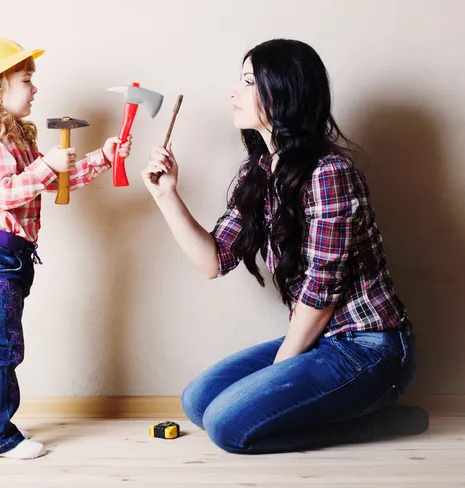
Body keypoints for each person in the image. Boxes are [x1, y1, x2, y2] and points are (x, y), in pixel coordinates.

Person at [142, 38, 428, 454]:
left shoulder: (330, 173)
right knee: (198, 401)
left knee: (227, 427)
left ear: (285, 92)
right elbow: (213, 261)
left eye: (248, 81)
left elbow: (321, 295)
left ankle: (378, 423)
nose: (233, 91)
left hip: (372, 350)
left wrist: (276, 375)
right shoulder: (258, 172)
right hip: (323, 341)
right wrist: (166, 195)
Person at [0, 38, 132, 459]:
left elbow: (54, 181)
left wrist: (103, 156)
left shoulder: (16, 141)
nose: (35, 89)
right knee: (2, 347)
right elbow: (4, 193)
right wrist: (47, 163)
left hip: (8, 258)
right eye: (26, 80)